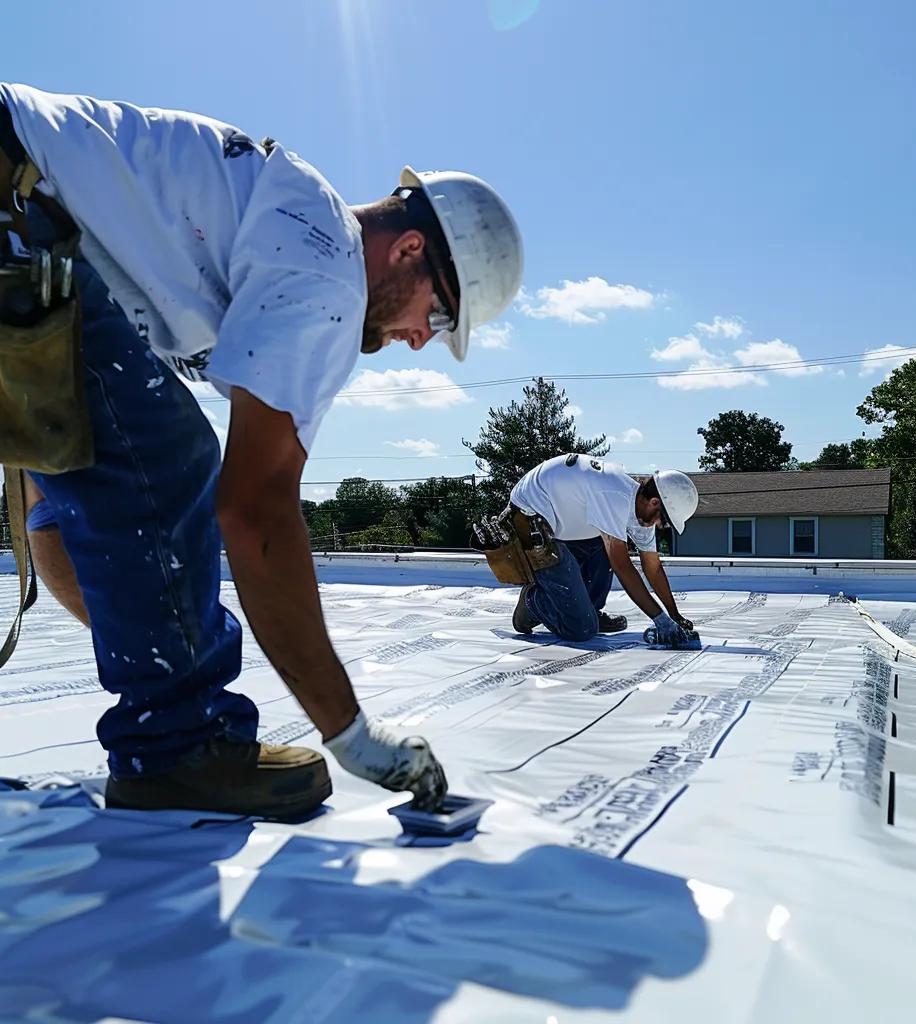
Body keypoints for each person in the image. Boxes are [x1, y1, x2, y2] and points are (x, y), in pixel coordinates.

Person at [0, 83, 523, 818]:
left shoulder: (262, 232)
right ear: (409, 249)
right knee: (175, 455)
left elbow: (57, 512)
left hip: (20, 210)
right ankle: (182, 750)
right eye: (437, 314)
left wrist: (153, 630)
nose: (419, 339)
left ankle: (175, 731)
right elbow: (253, 508)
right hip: (13, 209)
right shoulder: (323, 266)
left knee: (140, 441)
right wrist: (349, 729)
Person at [508, 455, 698, 643]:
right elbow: (622, 566)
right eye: (661, 520)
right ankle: (532, 602)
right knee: (581, 629)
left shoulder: (640, 514)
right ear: (654, 502)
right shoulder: (615, 495)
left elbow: (653, 567)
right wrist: (660, 619)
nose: (658, 525)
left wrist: (674, 615)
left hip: (563, 524)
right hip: (529, 516)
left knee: (605, 546)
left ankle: (590, 610)